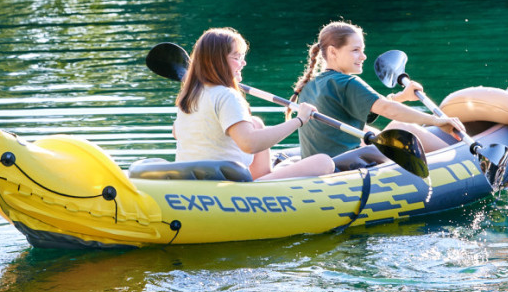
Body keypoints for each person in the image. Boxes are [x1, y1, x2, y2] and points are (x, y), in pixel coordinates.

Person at [173, 28, 335, 181]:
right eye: (236, 58)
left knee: (255, 123)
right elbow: (250, 144)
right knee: (324, 162)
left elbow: (177, 132)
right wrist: (299, 120)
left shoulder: (190, 95)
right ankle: (261, 185)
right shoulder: (227, 95)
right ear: (217, 62)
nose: (243, 63)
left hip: (194, 177)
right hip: (227, 183)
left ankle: (263, 175)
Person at [292, 21, 467, 159]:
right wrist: (436, 121)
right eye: (355, 50)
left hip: (324, 163)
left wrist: (400, 97)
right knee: (402, 128)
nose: (363, 56)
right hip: (344, 165)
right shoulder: (346, 82)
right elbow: (385, 109)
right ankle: (465, 161)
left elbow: (358, 111)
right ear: (332, 52)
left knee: (374, 132)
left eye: (363, 50)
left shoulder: (309, 85)